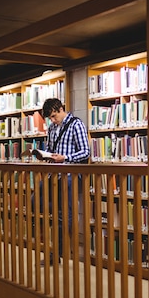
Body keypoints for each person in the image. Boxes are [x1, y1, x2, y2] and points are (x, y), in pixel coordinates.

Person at [40, 97, 89, 261]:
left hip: (70, 175)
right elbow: (50, 149)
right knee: (34, 200)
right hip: (53, 174)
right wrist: (45, 156)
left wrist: (65, 157)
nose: (53, 120)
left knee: (63, 215)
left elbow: (85, 152)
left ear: (61, 109)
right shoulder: (52, 128)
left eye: (54, 116)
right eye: (50, 118)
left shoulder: (76, 124)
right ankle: (59, 214)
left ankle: (59, 252)